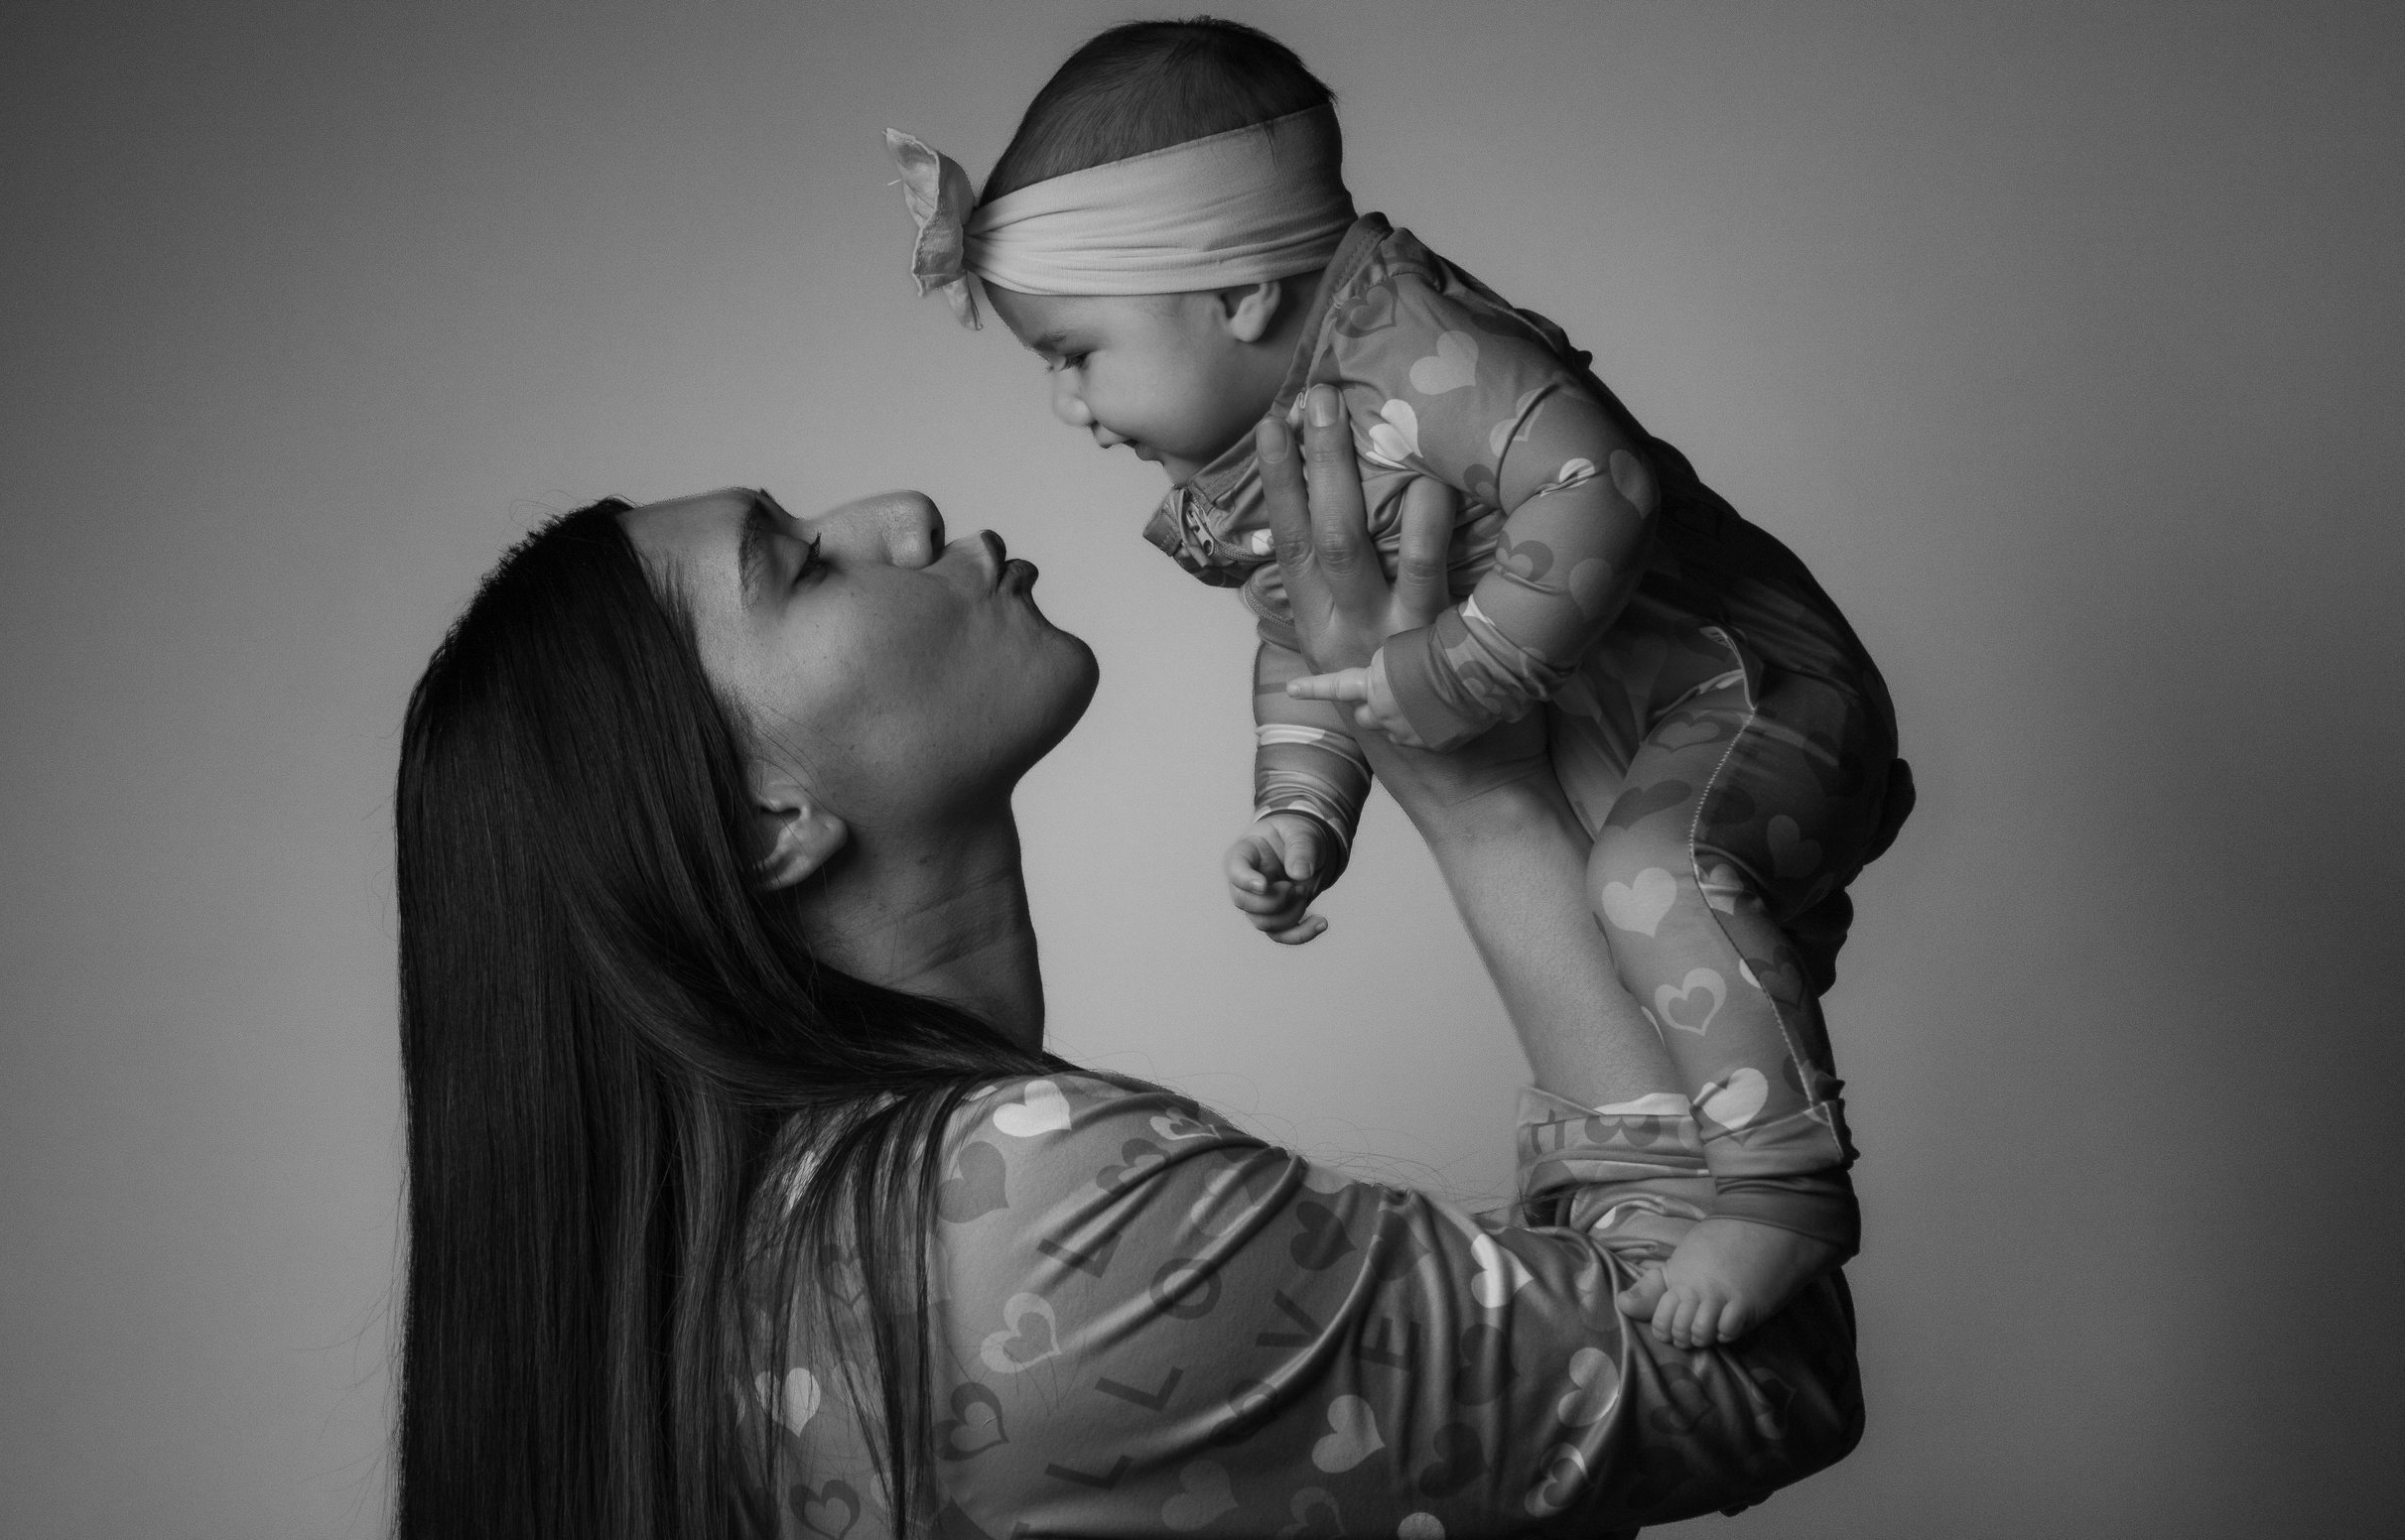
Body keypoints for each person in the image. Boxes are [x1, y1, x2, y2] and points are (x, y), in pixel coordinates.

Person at [392, 407, 1863, 1539]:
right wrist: (1480, 801)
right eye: (799, 565)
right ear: (768, 824)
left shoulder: (741, 1272)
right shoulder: (1023, 1211)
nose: (898, 516)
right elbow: (1747, 1375)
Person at [885, 17, 1915, 1347]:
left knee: (1647, 882)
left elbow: (1599, 484)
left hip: (1743, 687)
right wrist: (1302, 810)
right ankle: (1703, 1178)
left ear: (1240, 295)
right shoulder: (1263, 454)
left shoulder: (1421, 348)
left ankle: (1785, 1195)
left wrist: (1464, 665)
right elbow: (1311, 651)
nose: (1068, 407)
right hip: (1618, 737)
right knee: (1635, 923)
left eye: (1074, 353)